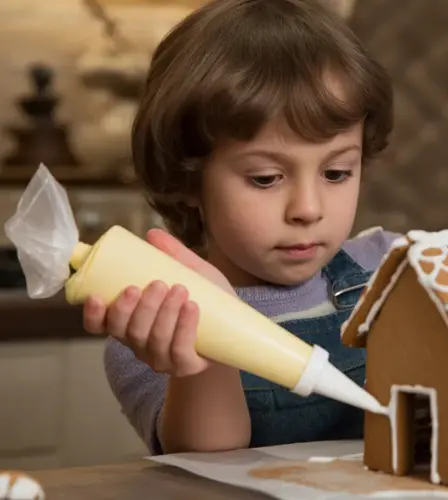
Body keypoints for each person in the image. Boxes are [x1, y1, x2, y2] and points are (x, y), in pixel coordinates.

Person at [85, 0, 399, 455]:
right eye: (266, 178)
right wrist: (205, 339)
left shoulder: (397, 270)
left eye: (336, 173)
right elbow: (210, 462)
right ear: (188, 178)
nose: (308, 209)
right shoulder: (153, 326)